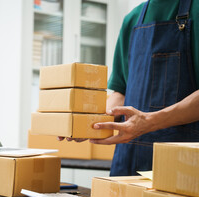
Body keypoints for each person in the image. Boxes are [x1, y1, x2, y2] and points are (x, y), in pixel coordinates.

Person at [60, 0, 199, 176]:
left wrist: (149, 122)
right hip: (128, 161)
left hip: (182, 165)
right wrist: (89, 123)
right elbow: (121, 91)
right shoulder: (133, 19)